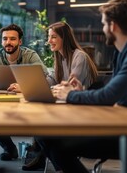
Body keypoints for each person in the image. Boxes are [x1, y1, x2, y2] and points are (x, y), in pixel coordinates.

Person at [36, 0, 127, 173]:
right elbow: (109, 93)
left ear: (113, 26)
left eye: (104, 24)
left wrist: (70, 95)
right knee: (45, 135)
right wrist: (79, 91)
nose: (103, 30)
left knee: (51, 139)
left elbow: (107, 96)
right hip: (123, 123)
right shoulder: (125, 53)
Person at [22, 21, 98, 171]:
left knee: (42, 129)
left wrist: (51, 87)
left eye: (53, 37)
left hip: (80, 112)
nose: (49, 41)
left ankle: (51, 160)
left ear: (65, 38)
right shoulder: (59, 57)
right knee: (37, 124)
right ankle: (53, 161)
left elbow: (69, 85)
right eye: (49, 37)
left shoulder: (79, 56)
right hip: (65, 108)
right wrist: (32, 84)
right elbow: (52, 80)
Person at [0, 23, 48, 161]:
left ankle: (36, 151)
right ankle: (9, 148)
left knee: (40, 115)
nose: (8, 42)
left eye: (12, 39)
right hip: (2, 101)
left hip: (27, 101)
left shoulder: (30, 55)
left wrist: (24, 85)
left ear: (20, 41)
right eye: (5, 39)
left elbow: (44, 76)